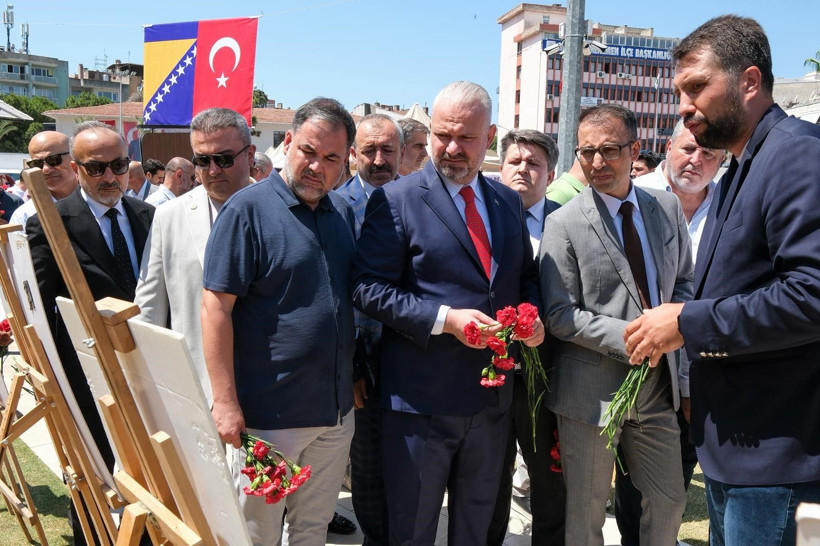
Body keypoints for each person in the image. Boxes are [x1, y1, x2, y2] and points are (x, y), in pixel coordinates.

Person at [623, 15, 820, 546]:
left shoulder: (797, 155)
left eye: (696, 87)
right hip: (736, 452)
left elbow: (811, 295)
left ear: (749, 81)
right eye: (679, 93)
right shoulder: (742, 167)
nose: (683, 106)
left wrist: (687, 322)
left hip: (778, 458)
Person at [351, 81, 544, 545]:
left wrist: (532, 317)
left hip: (491, 403)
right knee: (413, 530)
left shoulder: (506, 202)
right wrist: (445, 320)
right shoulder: (396, 200)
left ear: (491, 137)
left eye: (466, 138)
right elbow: (367, 288)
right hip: (421, 404)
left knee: (476, 530)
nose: (452, 149)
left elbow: (525, 278)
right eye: (442, 135)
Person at [202, 97, 357, 545]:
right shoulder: (245, 211)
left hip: (334, 417)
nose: (317, 167)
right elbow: (215, 308)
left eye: (331, 158)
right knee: (257, 535)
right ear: (288, 142)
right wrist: (224, 402)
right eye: (308, 151)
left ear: (345, 161)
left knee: (312, 531)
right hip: (269, 420)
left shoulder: (342, 213)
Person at [539, 104, 692, 545]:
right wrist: (636, 337)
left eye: (609, 150)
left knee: (669, 502)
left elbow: (685, 279)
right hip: (591, 396)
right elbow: (559, 314)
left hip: (657, 387)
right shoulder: (562, 223)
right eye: (586, 152)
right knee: (585, 517)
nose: (597, 162)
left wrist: (673, 325)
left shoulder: (666, 208)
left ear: (635, 150)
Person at [27, 121, 154, 544]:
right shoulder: (51, 223)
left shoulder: (148, 216)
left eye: (117, 165)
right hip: (88, 377)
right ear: (76, 168)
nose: (109, 177)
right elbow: (42, 312)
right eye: (96, 168)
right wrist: (56, 382)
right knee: (95, 473)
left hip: (146, 370)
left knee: (151, 473)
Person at [615, 120, 725, 545]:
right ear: (668, 147)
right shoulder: (631, 196)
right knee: (634, 490)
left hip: (706, 369)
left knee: (679, 480)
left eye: (709, 154)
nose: (697, 160)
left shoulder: (729, 204)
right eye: (689, 149)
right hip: (643, 370)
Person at [134, 108, 253, 406]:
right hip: (196, 390)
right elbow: (149, 308)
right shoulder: (169, 217)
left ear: (250, 155)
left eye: (224, 159)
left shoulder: (281, 211)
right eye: (202, 160)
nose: (213, 170)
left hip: (269, 394)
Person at [488, 128, 565, 546]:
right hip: (489, 373)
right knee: (489, 478)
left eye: (533, 163)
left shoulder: (569, 221)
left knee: (549, 481)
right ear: (501, 169)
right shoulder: (481, 217)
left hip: (547, 375)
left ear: (550, 174)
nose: (522, 169)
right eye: (514, 161)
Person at [335, 113, 404, 545]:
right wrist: (353, 365)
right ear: (352, 154)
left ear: (402, 153)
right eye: (369, 150)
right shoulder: (335, 208)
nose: (379, 160)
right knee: (369, 465)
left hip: (415, 357)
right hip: (363, 364)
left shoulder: (419, 200)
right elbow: (335, 294)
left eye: (388, 150)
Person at [11, 131, 79, 231]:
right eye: (37, 163)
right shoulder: (25, 216)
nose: (46, 169)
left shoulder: (98, 202)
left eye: (53, 160)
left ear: (74, 157)